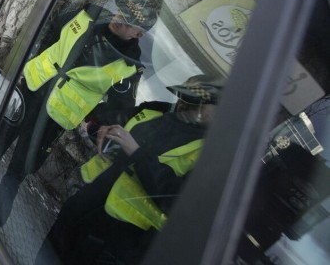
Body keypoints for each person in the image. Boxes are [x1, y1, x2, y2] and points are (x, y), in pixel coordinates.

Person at [0, 0, 161, 225]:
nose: (119, 18)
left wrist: (94, 119)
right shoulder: (89, 14)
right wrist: (35, 58)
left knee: (16, 173)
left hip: (52, 119)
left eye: (128, 21)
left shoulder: (128, 66)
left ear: (138, 33)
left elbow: (118, 111)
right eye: (122, 10)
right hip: (29, 91)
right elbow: (53, 29)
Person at [46, 73, 224, 265]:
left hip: (119, 244)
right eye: (185, 97)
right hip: (80, 209)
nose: (186, 104)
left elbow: (179, 200)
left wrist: (138, 154)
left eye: (198, 103)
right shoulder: (154, 112)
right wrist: (103, 130)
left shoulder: (209, 157)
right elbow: (106, 123)